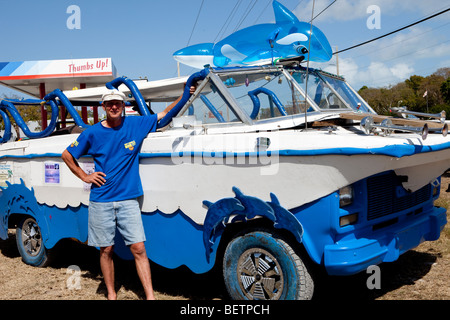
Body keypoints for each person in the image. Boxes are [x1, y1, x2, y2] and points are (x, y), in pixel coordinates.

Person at [62, 84, 195, 300]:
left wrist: (186, 94)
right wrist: (85, 176)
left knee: (139, 248)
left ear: (123, 105)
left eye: (118, 103)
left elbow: (164, 114)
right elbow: (67, 155)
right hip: (101, 200)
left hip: (128, 200)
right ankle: (111, 294)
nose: (114, 107)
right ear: (103, 106)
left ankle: (150, 296)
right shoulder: (93, 132)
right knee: (106, 250)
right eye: (109, 103)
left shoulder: (136, 124)